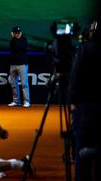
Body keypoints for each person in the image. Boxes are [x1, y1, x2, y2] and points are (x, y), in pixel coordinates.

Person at [69, 19, 101, 181]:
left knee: (82, 153)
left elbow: (75, 79)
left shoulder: (85, 49)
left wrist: (74, 104)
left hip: (86, 112)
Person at [7, 26, 30, 108]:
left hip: (22, 64)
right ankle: (16, 101)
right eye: (16, 32)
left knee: (24, 84)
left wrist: (13, 38)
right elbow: (12, 49)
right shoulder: (12, 41)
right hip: (13, 64)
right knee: (13, 84)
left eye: (18, 32)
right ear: (13, 33)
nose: (17, 34)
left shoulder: (24, 40)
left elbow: (18, 47)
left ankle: (26, 101)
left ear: (21, 32)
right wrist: (13, 39)